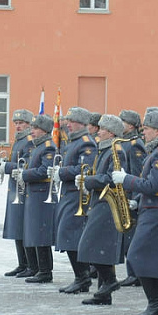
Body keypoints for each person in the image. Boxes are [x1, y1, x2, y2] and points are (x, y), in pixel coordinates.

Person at [112, 110, 158, 315]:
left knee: (139, 255)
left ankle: (156, 303)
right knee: (148, 258)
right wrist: (138, 200)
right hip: (152, 208)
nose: (144, 132)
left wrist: (126, 179)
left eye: (147, 128)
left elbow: (152, 185)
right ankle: (156, 304)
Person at [78, 114, 128, 305]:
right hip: (99, 201)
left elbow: (111, 178)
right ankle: (103, 293)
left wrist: (88, 181)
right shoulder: (105, 149)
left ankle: (109, 281)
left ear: (112, 132)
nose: (99, 131)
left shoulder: (116, 151)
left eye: (103, 129)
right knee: (99, 247)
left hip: (108, 203)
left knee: (91, 244)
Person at [54, 107, 97, 294]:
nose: (67, 124)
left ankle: (83, 277)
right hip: (69, 194)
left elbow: (84, 168)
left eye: (71, 121)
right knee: (67, 235)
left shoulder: (86, 143)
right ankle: (81, 277)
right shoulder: (73, 141)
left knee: (71, 235)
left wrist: (61, 172)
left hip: (77, 195)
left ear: (80, 123)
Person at [16, 114, 57, 284]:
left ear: (44, 130)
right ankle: (38, 268)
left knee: (41, 233)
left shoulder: (48, 146)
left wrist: (24, 174)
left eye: (35, 128)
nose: (32, 131)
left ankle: (45, 270)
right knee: (35, 231)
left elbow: (44, 171)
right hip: (35, 193)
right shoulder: (38, 146)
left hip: (41, 193)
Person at [0, 109, 35, 278]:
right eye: (16, 123)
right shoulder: (19, 140)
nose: (18, 126)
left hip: (23, 188)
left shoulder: (28, 141)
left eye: (21, 123)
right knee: (17, 226)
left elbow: (26, 165)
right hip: (15, 187)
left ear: (28, 125)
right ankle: (22, 263)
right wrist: (5, 163)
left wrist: (7, 167)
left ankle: (29, 264)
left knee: (23, 226)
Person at [116, 109, 147, 287]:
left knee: (132, 236)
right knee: (127, 236)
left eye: (123, 122)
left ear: (131, 126)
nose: (121, 125)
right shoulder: (124, 141)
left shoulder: (135, 144)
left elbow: (138, 172)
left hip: (132, 193)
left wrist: (136, 198)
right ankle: (132, 272)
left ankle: (135, 273)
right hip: (125, 192)